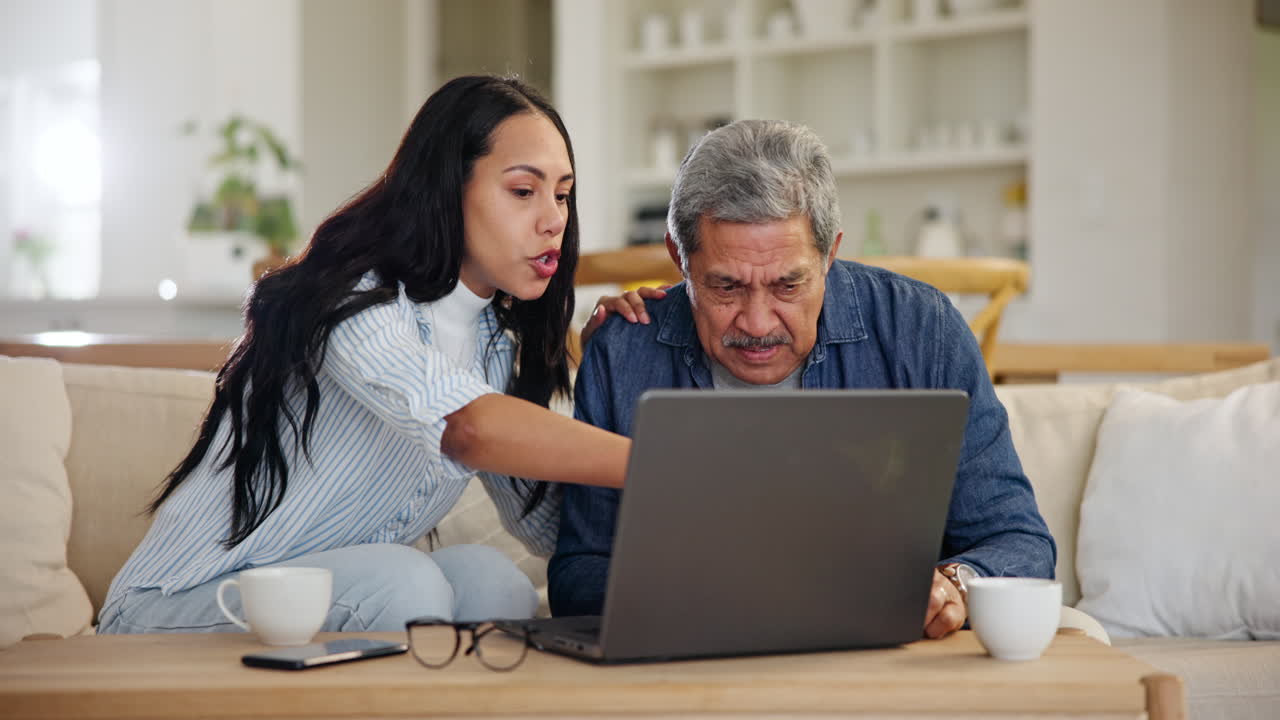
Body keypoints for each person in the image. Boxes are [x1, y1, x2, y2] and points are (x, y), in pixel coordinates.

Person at [99, 75, 632, 635]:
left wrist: (609, 368)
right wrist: (657, 465)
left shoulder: (495, 347)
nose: (553, 219)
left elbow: (549, 529)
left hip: (332, 593)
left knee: (492, 582)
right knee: (404, 583)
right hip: (175, 607)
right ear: (448, 189)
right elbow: (471, 428)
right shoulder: (351, 301)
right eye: (524, 191)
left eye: (563, 194)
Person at [550, 119, 1056, 639]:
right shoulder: (623, 350)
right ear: (679, 257)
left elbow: (1019, 543)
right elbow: (576, 576)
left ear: (830, 253)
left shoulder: (920, 330)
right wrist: (717, 590)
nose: (758, 322)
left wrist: (955, 583)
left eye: (788, 285)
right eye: (726, 287)